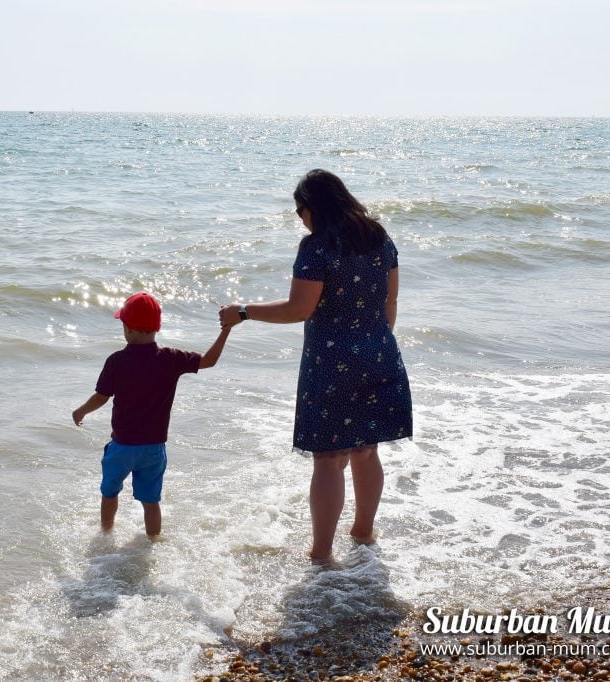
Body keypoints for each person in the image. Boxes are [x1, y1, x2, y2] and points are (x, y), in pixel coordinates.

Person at [219, 169, 412, 565]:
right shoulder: (379, 237)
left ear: (313, 207)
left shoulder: (316, 247)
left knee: (327, 458)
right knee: (366, 450)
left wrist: (243, 312)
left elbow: (298, 309)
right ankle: (363, 532)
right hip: (380, 353)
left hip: (330, 363)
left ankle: (322, 553)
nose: (300, 219)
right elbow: (389, 304)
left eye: (299, 211)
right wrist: (372, 342)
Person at [72, 292, 232, 538]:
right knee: (151, 501)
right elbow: (209, 361)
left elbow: (101, 397)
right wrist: (226, 329)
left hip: (123, 447)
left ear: (129, 329)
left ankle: (106, 535)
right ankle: (153, 542)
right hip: (154, 449)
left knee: (109, 492)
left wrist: (81, 410)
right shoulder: (171, 358)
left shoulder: (116, 361)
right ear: (156, 327)